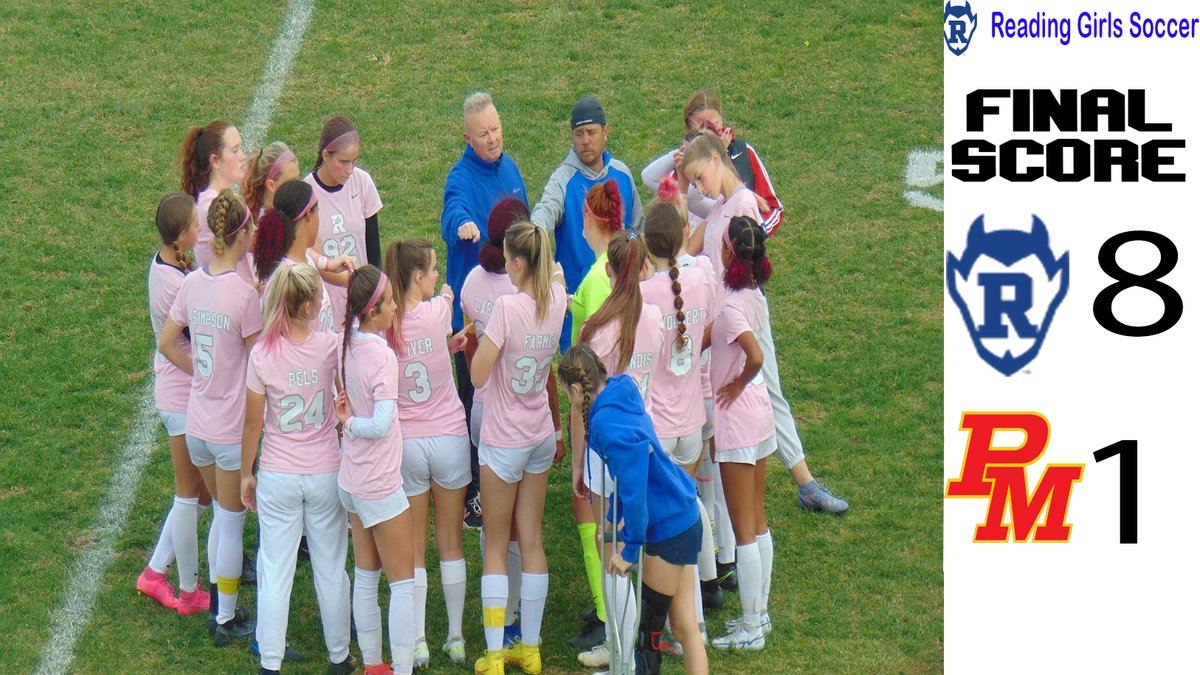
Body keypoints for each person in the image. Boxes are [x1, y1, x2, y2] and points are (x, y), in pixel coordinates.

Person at [681, 131, 849, 514]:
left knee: (765, 392)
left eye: (699, 177)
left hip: (739, 321)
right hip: (725, 322)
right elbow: (689, 243)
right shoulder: (725, 203)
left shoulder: (740, 206)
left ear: (715, 161)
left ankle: (802, 482)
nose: (699, 188)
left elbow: (740, 270)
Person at [558, 344, 708, 675]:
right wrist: (613, 519)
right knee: (684, 627)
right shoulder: (621, 389)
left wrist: (630, 549)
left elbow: (635, 482)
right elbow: (631, 474)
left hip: (668, 525)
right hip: (683, 512)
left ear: (577, 390)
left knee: (649, 636)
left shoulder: (607, 426)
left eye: (568, 395)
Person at [158, 189, 261, 645]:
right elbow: (260, 365)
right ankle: (224, 617)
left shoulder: (192, 283)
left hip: (196, 423)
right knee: (230, 522)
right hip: (229, 430)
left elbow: (166, 342)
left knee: (221, 515)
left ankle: (218, 606)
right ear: (240, 236)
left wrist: (199, 367)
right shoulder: (244, 295)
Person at [238, 264, 353, 675]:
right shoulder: (329, 347)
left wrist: (246, 473)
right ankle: (340, 657)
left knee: (275, 569)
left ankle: (270, 661)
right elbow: (347, 401)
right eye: (319, 297)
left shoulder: (263, 353)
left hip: (279, 474)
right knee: (331, 567)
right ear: (306, 305)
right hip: (325, 471)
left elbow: (253, 423)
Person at [468, 222, 568, 675]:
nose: (504, 265)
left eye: (508, 258)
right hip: (540, 436)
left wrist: (477, 342)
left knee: (494, 544)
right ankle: (530, 647)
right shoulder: (557, 299)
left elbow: (477, 375)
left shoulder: (508, 307)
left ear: (520, 263)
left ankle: (493, 653)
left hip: (504, 439)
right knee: (531, 538)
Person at [573, 233, 665, 671]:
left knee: (610, 545)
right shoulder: (658, 315)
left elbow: (583, 405)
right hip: (645, 442)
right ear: (643, 266)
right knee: (629, 547)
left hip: (606, 450)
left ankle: (623, 659)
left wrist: (578, 462)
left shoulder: (597, 328)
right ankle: (626, 650)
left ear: (609, 269)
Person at [441, 91, 529, 528]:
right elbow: (451, 212)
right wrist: (462, 224)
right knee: (475, 401)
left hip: (514, 310)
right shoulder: (459, 178)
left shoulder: (510, 168)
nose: (493, 138)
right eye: (483, 134)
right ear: (467, 137)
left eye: (496, 129)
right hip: (475, 321)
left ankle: (511, 473)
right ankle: (476, 490)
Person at [383, 239, 472, 668]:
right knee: (451, 544)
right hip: (450, 437)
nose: (437, 276)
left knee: (414, 548)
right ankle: (455, 637)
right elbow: (447, 308)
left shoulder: (386, 323)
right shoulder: (439, 310)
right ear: (417, 277)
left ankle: (417, 639)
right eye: (432, 269)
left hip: (408, 445)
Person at [640, 194, 726, 618]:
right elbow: (708, 322)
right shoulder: (702, 277)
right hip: (693, 422)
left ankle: (673, 614)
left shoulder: (643, 294)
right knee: (689, 506)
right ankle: (705, 592)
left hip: (657, 426)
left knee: (663, 524)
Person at [334, 265, 417, 675]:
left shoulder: (344, 340)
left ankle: (372, 665)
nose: (396, 306)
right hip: (379, 485)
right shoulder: (382, 356)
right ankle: (400, 668)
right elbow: (382, 424)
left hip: (351, 479)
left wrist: (347, 422)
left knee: (366, 573)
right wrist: (350, 423)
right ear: (371, 312)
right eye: (389, 302)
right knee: (402, 582)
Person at [138, 193, 212, 614]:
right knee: (189, 495)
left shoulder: (170, 263)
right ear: (182, 235)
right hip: (179, 395)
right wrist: (202, 373)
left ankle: (154, 572)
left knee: (200, 494)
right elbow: (178, 345)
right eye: (195, 226)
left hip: (183, 392)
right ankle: (188, 591)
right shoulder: (175, 282)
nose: (200, 230)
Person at [706, 217, 777, 651]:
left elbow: (752, 354)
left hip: (737, 415)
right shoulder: (753, 294)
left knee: (743, 527)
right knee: (758, 518)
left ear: (730, 252)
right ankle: (759, 614)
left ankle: (752, 625)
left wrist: (733, 383)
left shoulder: (732, 307)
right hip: (760, 411)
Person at [460, 198, 526, 647]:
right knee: (522, 523)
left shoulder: (470, 282)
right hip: (519, 413)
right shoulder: (523, 291)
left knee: (491, 521)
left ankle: (496, 620)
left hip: (481, 410)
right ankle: (516, 615)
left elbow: (468, 348)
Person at [530, 95, 643, 353]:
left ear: (606, 132)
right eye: (578, 134)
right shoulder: (563, 179)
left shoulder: (623, 175)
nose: (585, 141)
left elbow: (638, 229)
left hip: (621, 294)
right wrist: (534, 235)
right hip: (579, 302)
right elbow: (544, 214)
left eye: (591, 132)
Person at [640, 89, 783, 237]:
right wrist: (682, 154)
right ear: (689, 128)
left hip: (738, 241)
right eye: (701, 128)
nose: (710, 132)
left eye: (715, 124)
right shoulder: (686, 164)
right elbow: (650, 178)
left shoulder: (743, 152)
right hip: (698, 243)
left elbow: (772, 208)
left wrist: (756, 233)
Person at [305, 116, 383, 330]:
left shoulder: (362, 182)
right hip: (326, 309)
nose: (350, 169)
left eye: (354, 161)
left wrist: (375, 293)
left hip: (362, 305)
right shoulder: (307, 194)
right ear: (325, 156)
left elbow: (374, 252)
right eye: (343, 162)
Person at [252, 180, 354, 332]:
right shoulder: (290, 279)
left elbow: (312, 257)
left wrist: (331, 265)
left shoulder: (298, 255)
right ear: (308, 215)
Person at [179, 120, 253, 282]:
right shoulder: (212, 205)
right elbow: (259, 242)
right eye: (235, 151)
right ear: (215, 161)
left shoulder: (215, 200)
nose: (242, 156)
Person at [242, 141, 301, 219]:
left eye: (298, 179)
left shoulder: (287, 210)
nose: (299, 187)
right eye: (291, 182)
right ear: (271, 185)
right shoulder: (268, 224)